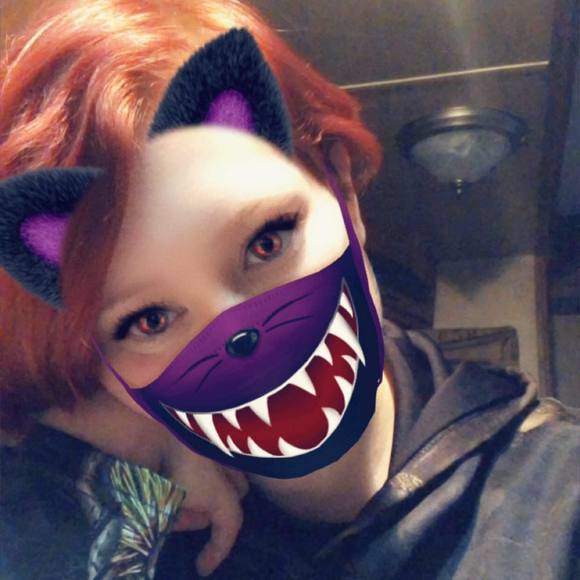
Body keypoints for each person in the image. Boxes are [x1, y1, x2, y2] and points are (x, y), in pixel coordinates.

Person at [0, 2, 578, 580]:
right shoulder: (138, 532)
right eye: (149, 320)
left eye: (266, 242)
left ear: (343, 192)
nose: (237, 333)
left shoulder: (560, 502)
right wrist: (117, 446)